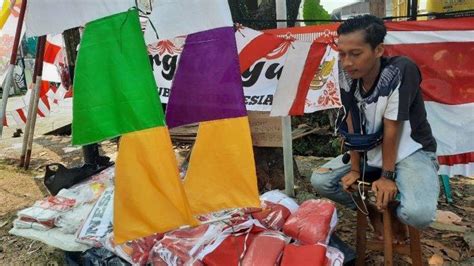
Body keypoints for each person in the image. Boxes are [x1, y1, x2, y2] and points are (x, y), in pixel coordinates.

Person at [311, 15, 439, 241]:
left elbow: (393, 129)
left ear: (379, 50)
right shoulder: (345, 74)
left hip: (411, 152)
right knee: (321, 181)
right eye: (342, 54)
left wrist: (387, 177)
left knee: (418, 214)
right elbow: (350, 123)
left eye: (356, 54)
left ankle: (393, 211)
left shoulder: (400, 70)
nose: (347, 62)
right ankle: (371, 210)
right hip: (370, 153)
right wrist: (353, 169)